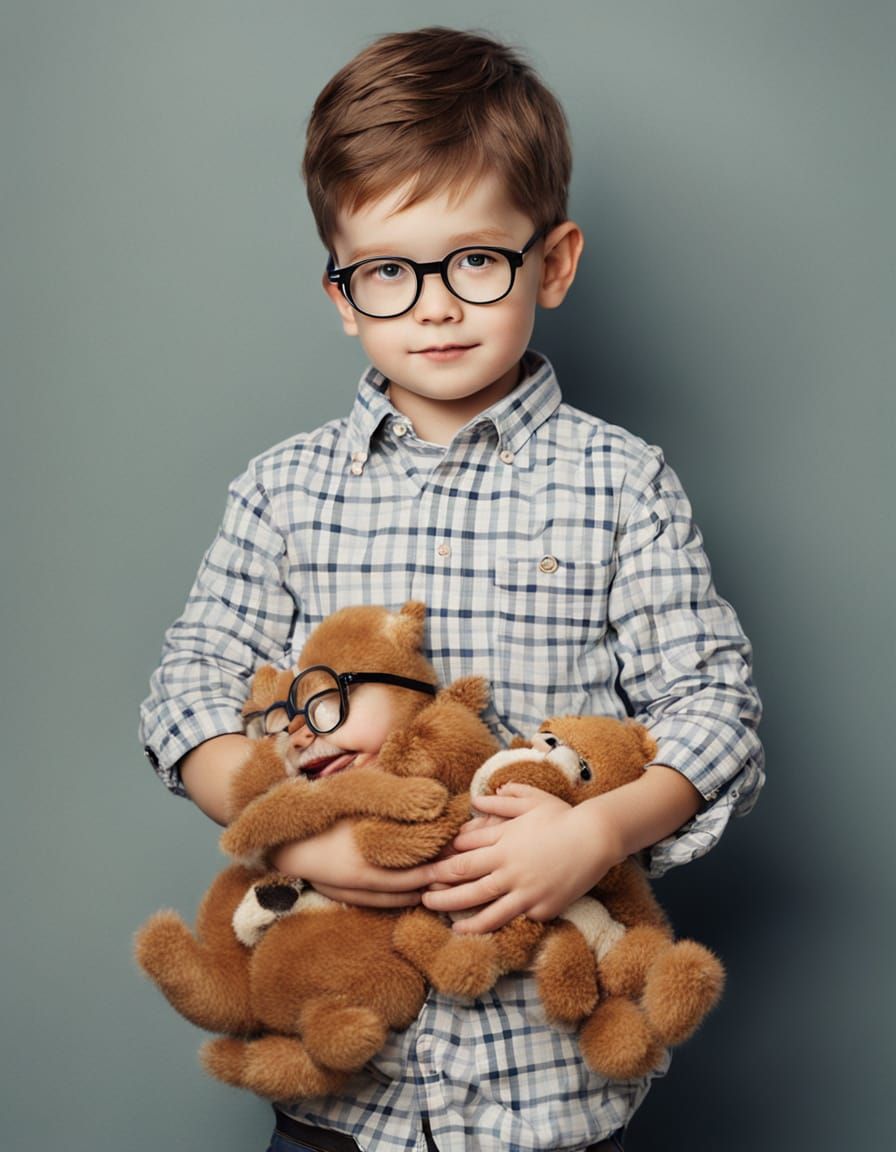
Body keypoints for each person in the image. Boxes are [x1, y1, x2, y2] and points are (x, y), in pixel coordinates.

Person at [139, 26, 764, 1152]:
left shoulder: (619, 483)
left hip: (545, 1083)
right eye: (388, 269)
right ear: (341, 290)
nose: (432, 306)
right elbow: (183, 693)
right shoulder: (283, 492)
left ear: (552, 262)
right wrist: (294, 839)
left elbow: (713, 710)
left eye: (474, 260)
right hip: (340, 1089)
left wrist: (596, 834)